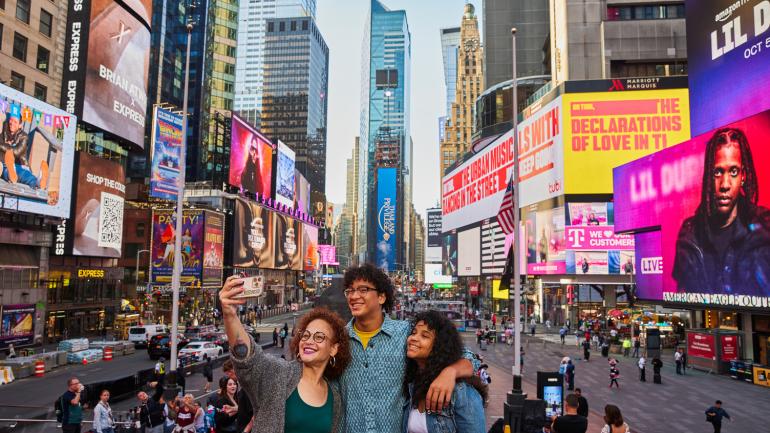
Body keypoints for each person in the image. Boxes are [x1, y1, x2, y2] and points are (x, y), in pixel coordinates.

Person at [338, 264, 478, 433]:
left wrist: (450, 372)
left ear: (381, 297)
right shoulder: (338, 340)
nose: (354, 296)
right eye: (349, 291)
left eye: (363, 289)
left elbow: (470, 358)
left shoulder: (406, 333)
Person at [220, 275, 352, 433]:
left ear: (334, 349)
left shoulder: (335, 398)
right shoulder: (278, 375)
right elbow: (248, 359)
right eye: (305, 335)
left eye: (319, 337)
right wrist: (229, 314)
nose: (309, 341)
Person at [673, 127, 770, 296]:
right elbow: (682, 297)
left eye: (733, 172)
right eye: (718, 172)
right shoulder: (690, 234)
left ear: (743, 176)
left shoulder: (765, 229)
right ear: (709, 176)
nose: (725, 184)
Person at [402, 310, 488, 433]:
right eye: (413, 333)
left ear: (439, 346)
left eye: (425, 336)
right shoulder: (411, 384)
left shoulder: (462, 392)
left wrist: (451, 371)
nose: (413, 338)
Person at [0, 105, 47, 189]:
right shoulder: (3, 135)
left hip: (20, 165)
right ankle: (12, 175)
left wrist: (5, 146)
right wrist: (8, 146)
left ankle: (39, 182)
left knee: (25, 175)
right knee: (6, 170)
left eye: (15, 122)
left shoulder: (24, 137)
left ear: (20, 125)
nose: (12, 123)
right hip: (5, 165)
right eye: (11, 120)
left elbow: (17, 152)